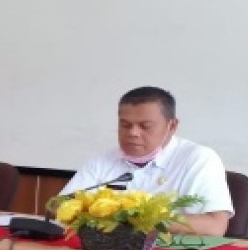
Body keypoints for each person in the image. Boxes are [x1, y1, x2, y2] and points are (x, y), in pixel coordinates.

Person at [59, 86, 233, 236]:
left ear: (172, 126)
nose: (133, 133)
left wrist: (137, 220)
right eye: (125, 125)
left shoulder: (198, 158)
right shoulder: (103, 159)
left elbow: (214, 226)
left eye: (145, 126)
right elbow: (61, 207)